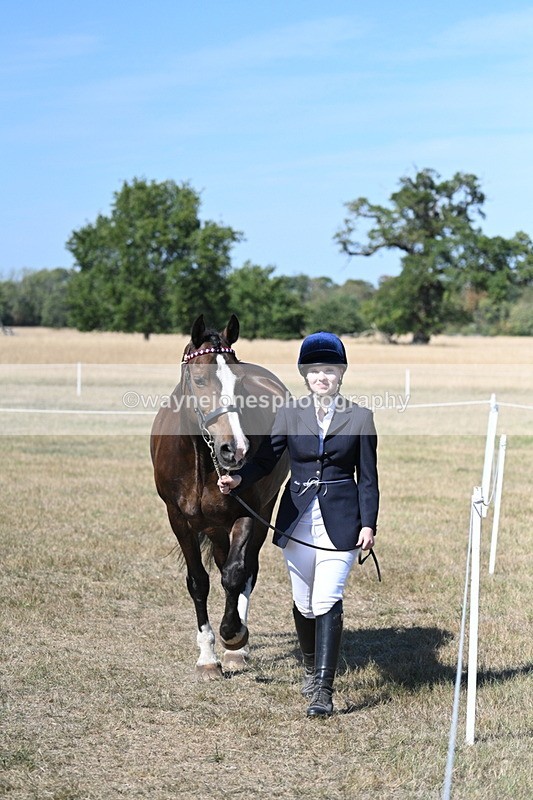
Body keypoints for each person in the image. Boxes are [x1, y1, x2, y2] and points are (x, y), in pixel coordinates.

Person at [218, 332, 379, 717]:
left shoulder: (360, 417)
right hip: (297, 517)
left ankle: (323, 690)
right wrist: (239, 478)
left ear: (340, 374)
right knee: (305, 603)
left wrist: (368, 524)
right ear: (305, 376)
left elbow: (369, 477)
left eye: (330, 371)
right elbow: (269, 458)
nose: (322, 377)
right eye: (315, 371)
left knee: (327, 599)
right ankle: (310, 668)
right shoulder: (289, 413)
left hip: (341, 518)